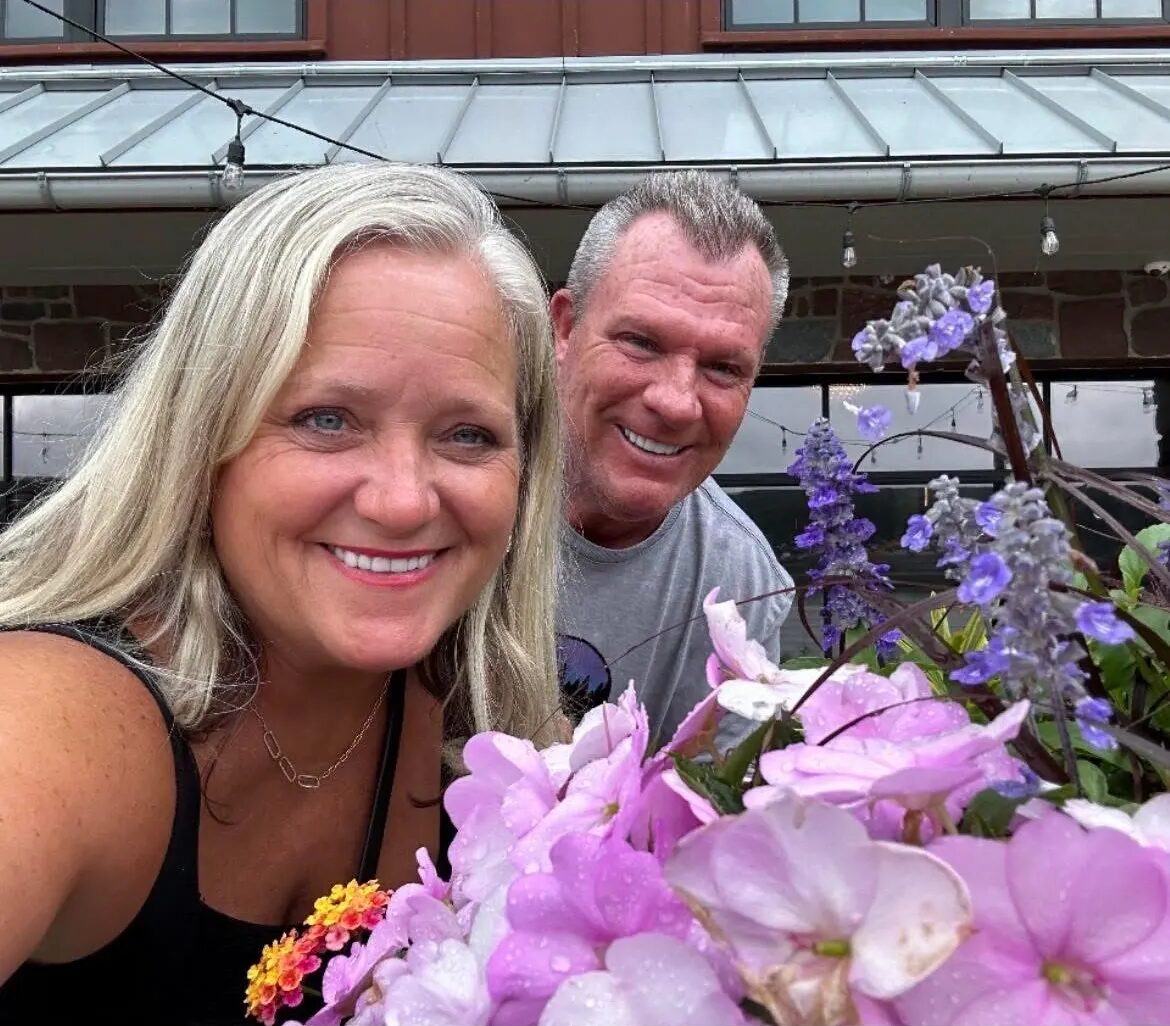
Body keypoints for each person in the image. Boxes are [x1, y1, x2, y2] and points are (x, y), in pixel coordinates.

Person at [0, 162, 564, 1024]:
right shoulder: (53, 715)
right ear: (202, 435)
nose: (404, 499)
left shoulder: (498, 740)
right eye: (326, 419)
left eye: (467, 434)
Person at [552, 169, 794, 747]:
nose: (677, 402)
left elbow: (708, 816)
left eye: (723, 368)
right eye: (640, 342)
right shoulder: (451, 487)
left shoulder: (741, 583)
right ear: (563, 329)